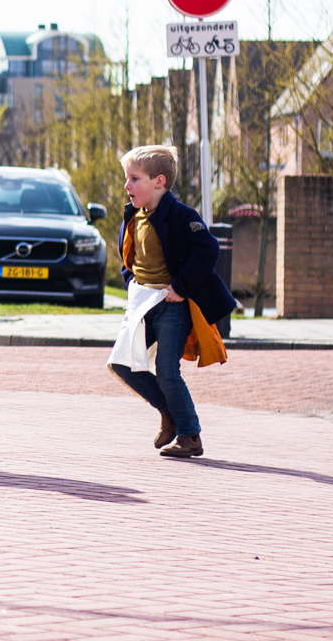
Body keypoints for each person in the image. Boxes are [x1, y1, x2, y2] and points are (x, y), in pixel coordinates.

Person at [105, 144, 235, 459]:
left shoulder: (181, 215)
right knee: (122, 364)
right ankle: (169, 413)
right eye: (127, 179)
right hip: (142, 303)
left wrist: (181, 286)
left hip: (172, 304)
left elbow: (207, 250)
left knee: (166, 369)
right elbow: (129, 257)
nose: (127, 186)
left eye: (134, 179)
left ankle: (190, 435)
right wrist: (131, 280)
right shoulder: (133, 215)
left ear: (159, 182)